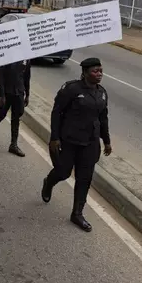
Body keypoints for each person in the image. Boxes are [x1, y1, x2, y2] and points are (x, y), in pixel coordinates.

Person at [41, 57, 112, 233]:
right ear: (85, 73)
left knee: (85, 178)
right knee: (63, 172)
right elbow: (57, 112)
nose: (99, 74)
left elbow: (103, 118)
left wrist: (107, 140)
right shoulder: (71, 89)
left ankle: (77, 213)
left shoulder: (101, 93)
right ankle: (49, 182)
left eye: (101, 71)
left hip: (90, 142)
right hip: (69, 139)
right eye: (95, 71)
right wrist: (54, 137)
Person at [0, 60, 31, 157]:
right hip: (6, 91)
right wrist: (2, 95)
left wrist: (27, 94)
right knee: (1, 114)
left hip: (19, 92)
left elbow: (27, 76)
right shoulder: (6, 55)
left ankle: (13, 145)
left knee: (16, 117)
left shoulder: (26, 57)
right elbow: (0, 75)